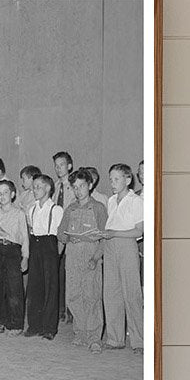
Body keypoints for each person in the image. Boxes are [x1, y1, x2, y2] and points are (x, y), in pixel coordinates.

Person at [58, 170, 107, 351]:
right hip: (72, 256)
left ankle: (94, 337)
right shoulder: (70, 209)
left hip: (91, 255)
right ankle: (80, 332)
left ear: (90, 185)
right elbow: (60, 234)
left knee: (92, 295)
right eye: (75, 187)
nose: (78, 191)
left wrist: (96, 257)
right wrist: (69, 238)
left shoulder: (98, 208)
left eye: (82, 186)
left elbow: (105, 237)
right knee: (73, 296)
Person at [99, 163, 144, 353]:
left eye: (117, 179)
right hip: (110, 247)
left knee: (132, 294)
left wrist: (115, 233)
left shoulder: (136, 201)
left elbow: (139, 231)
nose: (113, 183)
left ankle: (140, 341)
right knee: (111, 293)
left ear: (128, 180)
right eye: (111, 179)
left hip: (126, 246)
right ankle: (115, 338)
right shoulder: (110, 201)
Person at [0, 180, 29, 334]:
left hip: (12, 251)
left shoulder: (19, 214)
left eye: (5, 192)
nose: (2, 196)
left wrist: (25, 257)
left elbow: (24, 237)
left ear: (13, 194)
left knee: (14, 288)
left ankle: (16, 324)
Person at [24, 174, 63, 340]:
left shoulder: (56, 210)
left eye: (38, 187)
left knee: (50, 288)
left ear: (48, 188)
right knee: (34, 287)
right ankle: (34, 325)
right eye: (33, 187)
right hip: (35, 245)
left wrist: (56, 256)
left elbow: (60, 238)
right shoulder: (31, 209)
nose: (35, 190)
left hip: (49, 246)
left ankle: (49, 328)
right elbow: (31, 231)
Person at [52, 150, 74, 321]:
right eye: (56, 166)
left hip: (71, 235)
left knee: (70, 274)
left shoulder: (74, 186)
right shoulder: (55, 187)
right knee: (57, 273)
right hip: (57, 235)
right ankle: (60, 309)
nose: (59, 169)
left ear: (69, 166)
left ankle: (71, 311)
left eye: (62, 165)